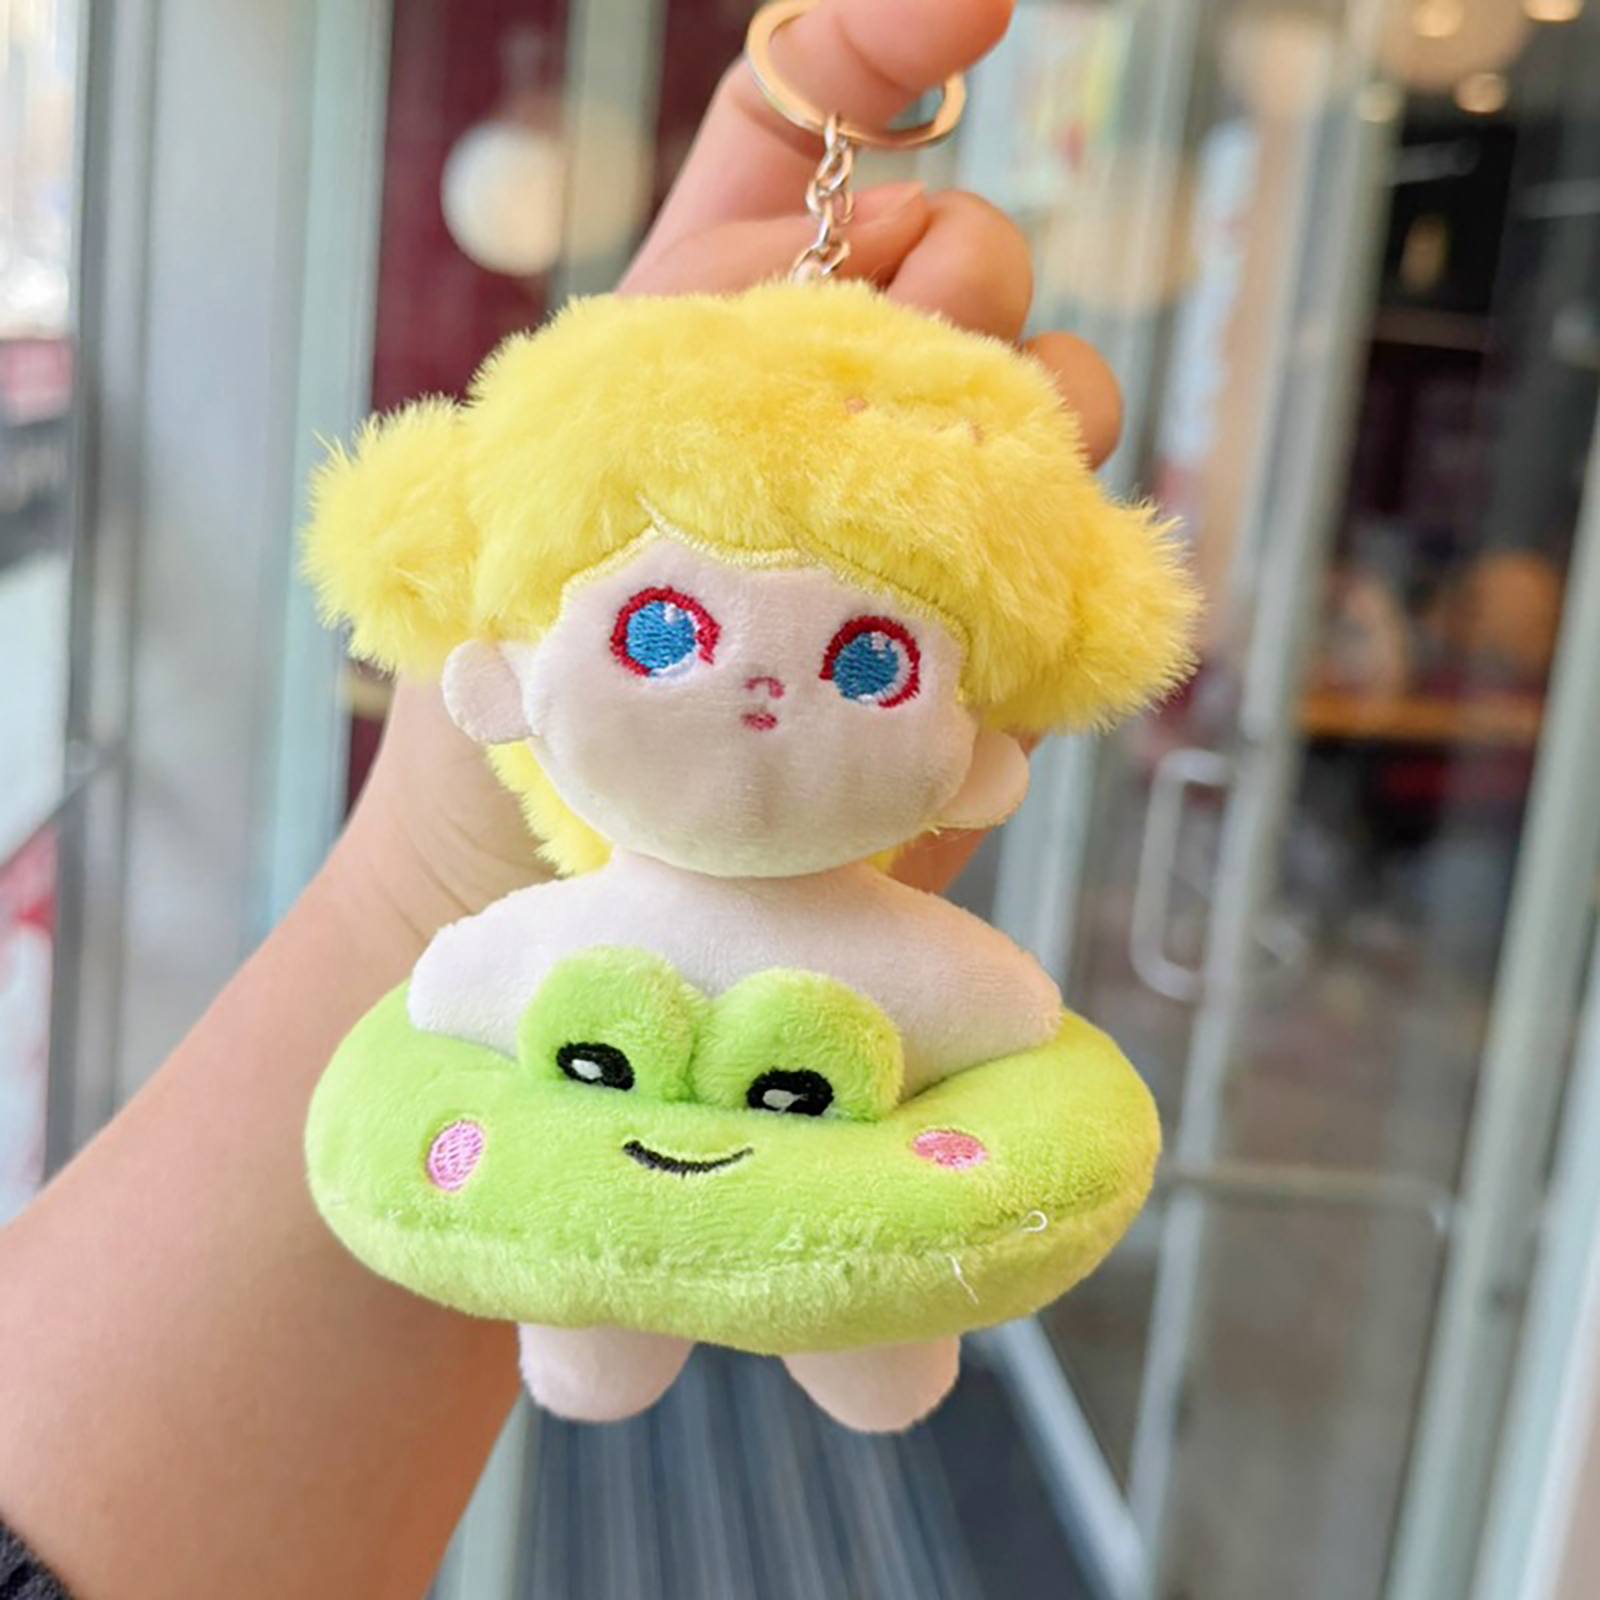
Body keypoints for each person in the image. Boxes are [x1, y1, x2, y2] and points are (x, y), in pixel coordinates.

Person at [0, 0, 1123, 1594]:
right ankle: (649, 1321)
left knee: (855, 1315)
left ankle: (857, 1330)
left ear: (980, 751)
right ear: (502, 677)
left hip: (827, 1160)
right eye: (662, 632)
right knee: (590, 1297)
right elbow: (449, 991)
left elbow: (1002, 1026)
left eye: (870, 662)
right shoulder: (522, 909)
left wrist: (432, 890)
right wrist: (438, 881)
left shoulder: (842, 931)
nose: (757, 690)